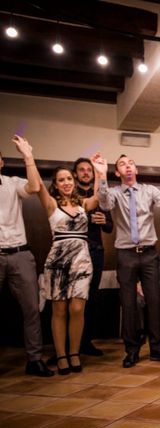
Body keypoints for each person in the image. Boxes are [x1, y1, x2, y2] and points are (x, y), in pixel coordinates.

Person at [93, 153, 160, 368]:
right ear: (118, 172)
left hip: (149, 253)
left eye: (131, 164)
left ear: (136, 170)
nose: (128, 167)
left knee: (155, 301)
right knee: (129, 304)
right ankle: (131, 351)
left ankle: (157, 349)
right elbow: (103, 203)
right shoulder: (113, 193)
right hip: (126, 254)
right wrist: (101, 176)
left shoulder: (149, 190)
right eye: (122, 164)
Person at [33, 156, 102, 375]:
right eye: (61, 180)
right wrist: (28, 157)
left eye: (69, 178)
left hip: (82, 260)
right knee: (60, 309)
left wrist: (100, 172)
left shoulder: (83, 203)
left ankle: (74, 353)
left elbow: (99, 197)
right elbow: (36, 187)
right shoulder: (51, 204)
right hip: (58, 262)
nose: (66, 182)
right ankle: (61, 355)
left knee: (77, 307)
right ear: (55, 184)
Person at [0, 137, 53, 377]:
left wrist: (28, 156)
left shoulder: (11, 183)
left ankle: (34, 360)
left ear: (1, 163)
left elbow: (34, 187)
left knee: (32, 308)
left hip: (20, 254)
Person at [73, 157, 113, 356]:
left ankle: (85, 342)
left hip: (96, 251)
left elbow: (110, 227)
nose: (86, 173)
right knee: (73, 299)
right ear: (75, 174)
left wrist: (104, 220)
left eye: (89, 170)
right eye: (82, 170)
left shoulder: (102, 197)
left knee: (91, 298)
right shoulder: (69, 194)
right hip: (74, 252)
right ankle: (68, 346)